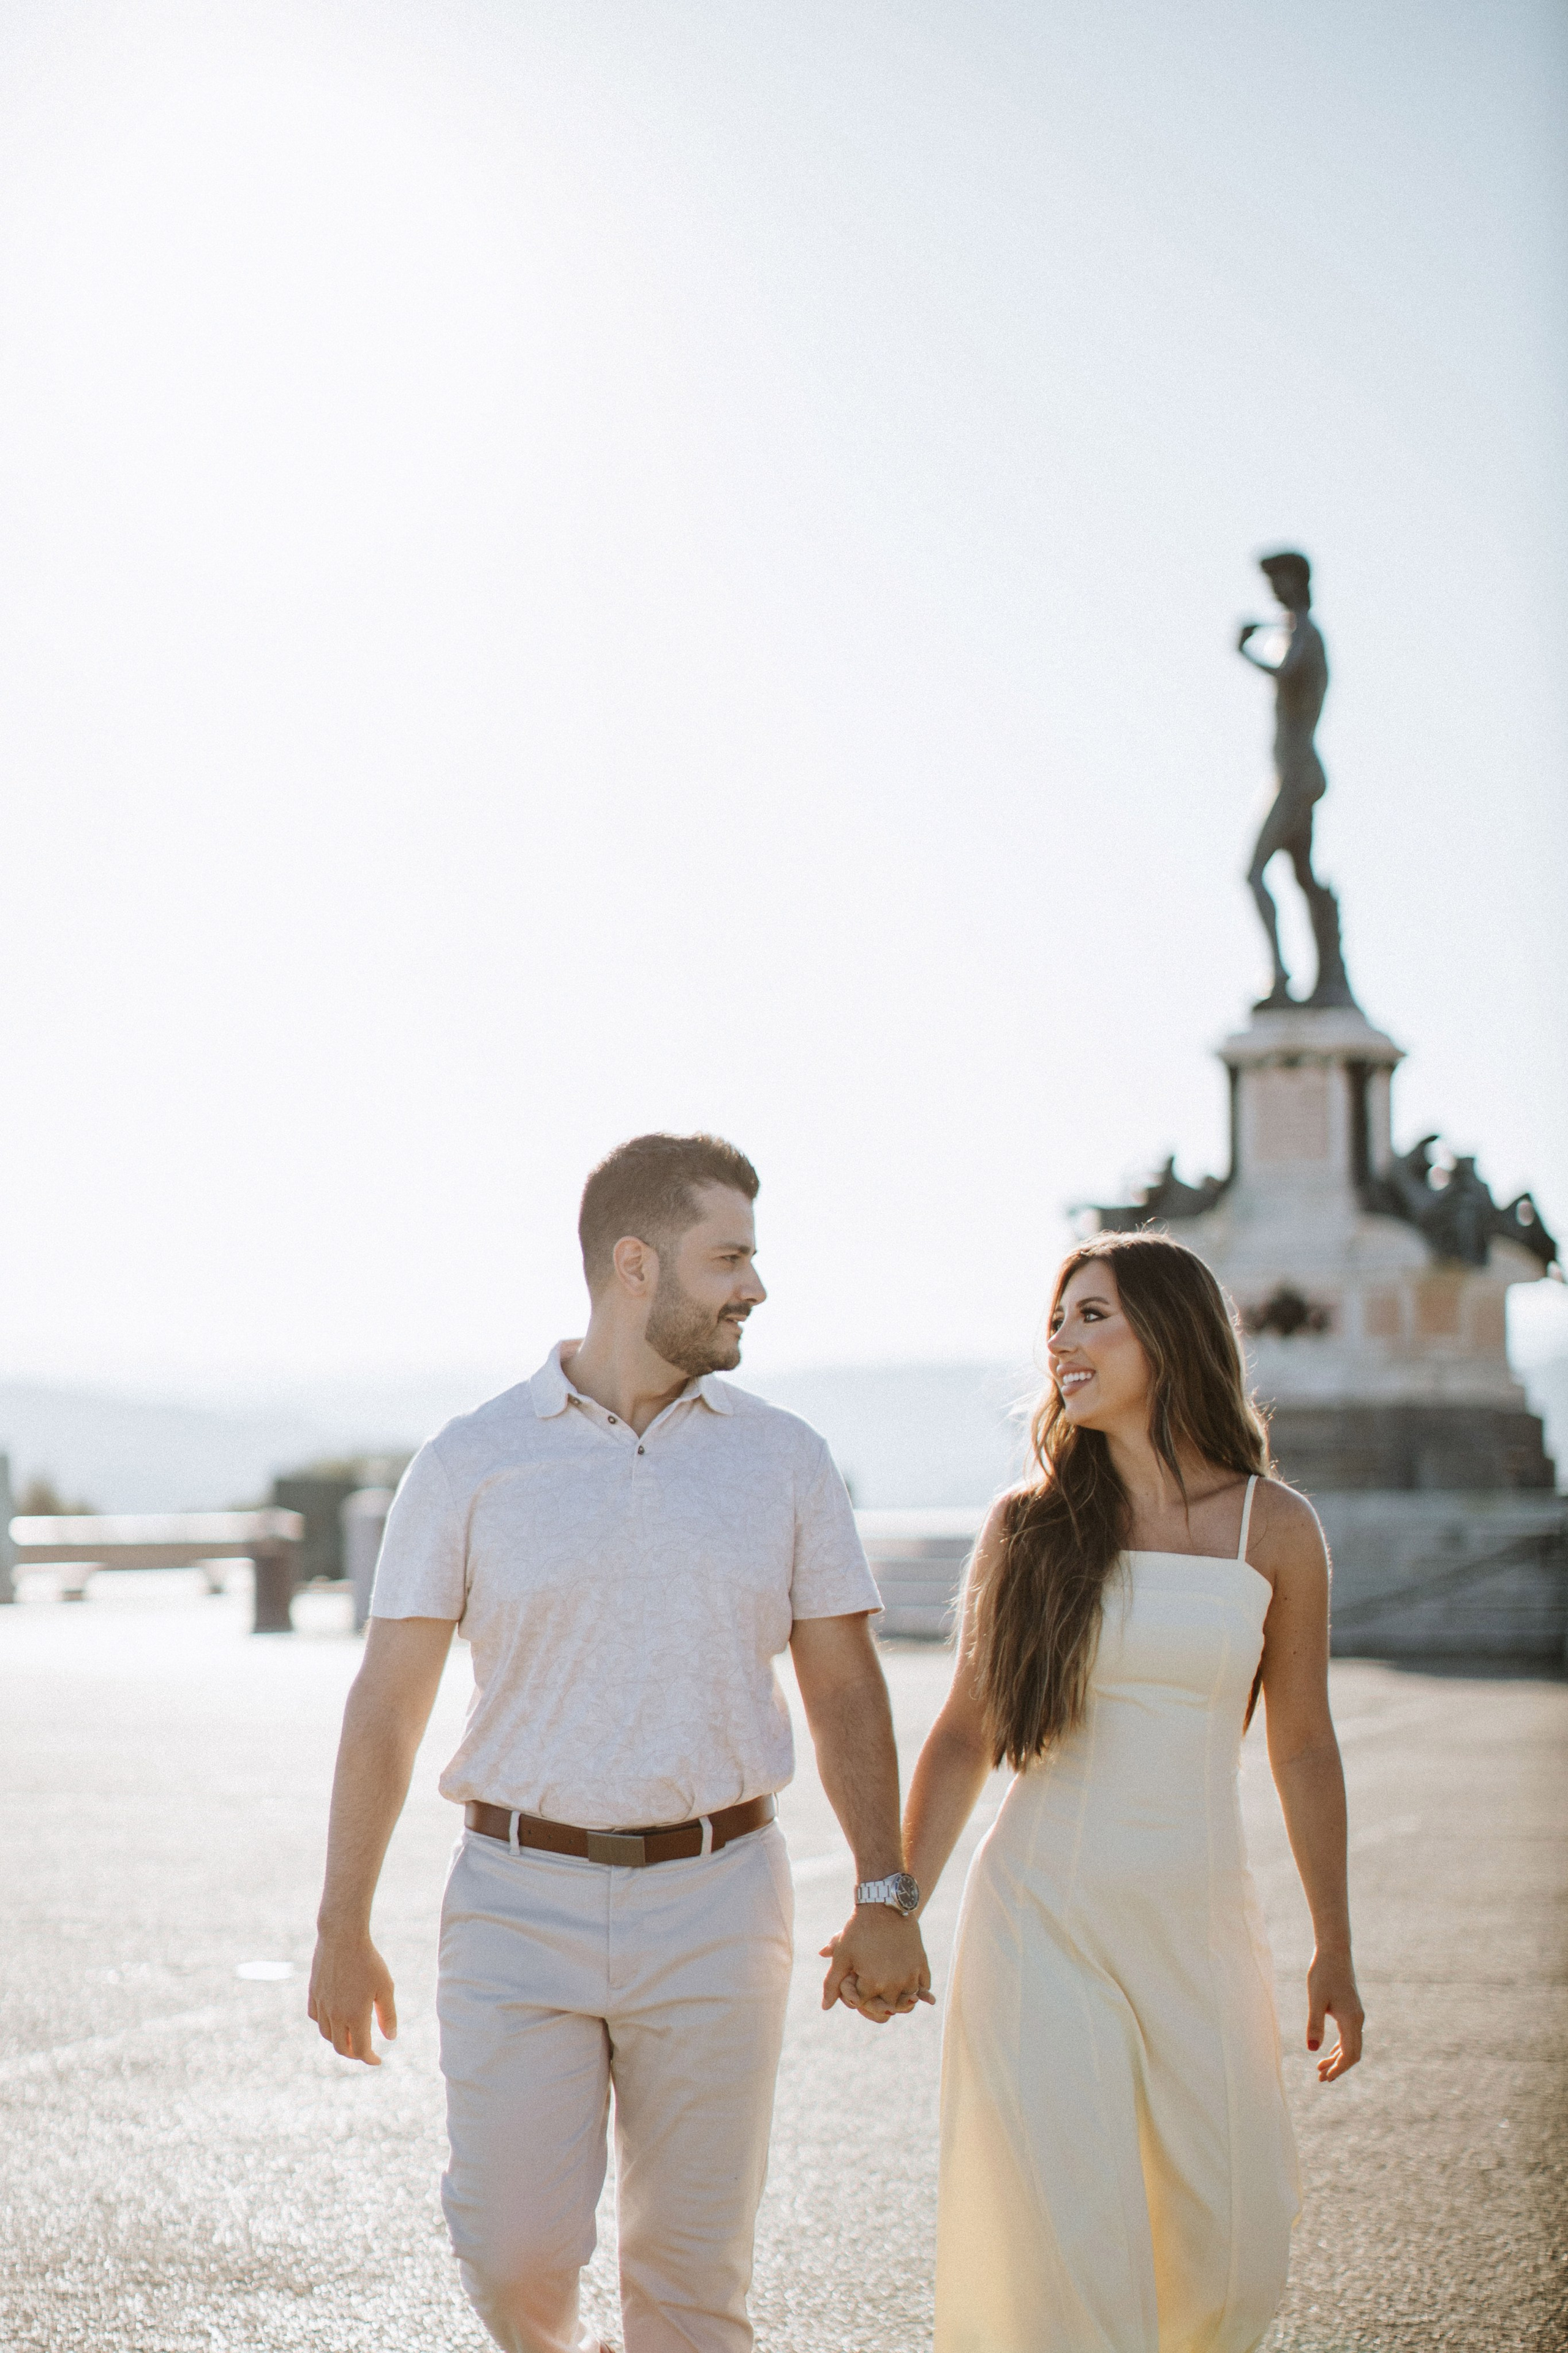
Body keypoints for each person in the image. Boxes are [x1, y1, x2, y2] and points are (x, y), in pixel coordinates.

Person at [307, 1131, 930, 2353]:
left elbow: (846, 1688)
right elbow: (387, 1705)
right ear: (634, 1263)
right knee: (511, 2248)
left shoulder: (785, 1459)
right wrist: (342, 1921)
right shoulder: (474, 1459)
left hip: (718, 1899)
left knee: (693, 2283)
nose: (754, 1285)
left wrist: (883, 1888)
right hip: (513, 1900)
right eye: (729, 1256)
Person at [903, 1231, 1363, 2353]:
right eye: (1056, 1320)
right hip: (1040, 1916)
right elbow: (967, 1734)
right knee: (1075, 2251)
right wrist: (890, 1904)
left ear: (1172, 1331)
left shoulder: (1278, 1527)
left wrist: (1334, 1941)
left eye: (1092, 1314)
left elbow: (1303, 1744)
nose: (1062, 1340)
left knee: (1233, 2251)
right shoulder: (1028, 1526)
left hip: (1198, 1923)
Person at [1237, 549, 1354, 1009]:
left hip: (1297, 775)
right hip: (1294, 774)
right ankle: (1328, 975)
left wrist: (1244, 651)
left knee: (1255, 872)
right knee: (1304, 879)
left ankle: (1282, 977)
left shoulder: (1305, 632)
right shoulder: (1295, 632)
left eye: (1280, 579)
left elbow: (1286, 671)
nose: (1274, 589)